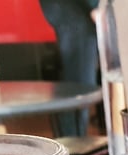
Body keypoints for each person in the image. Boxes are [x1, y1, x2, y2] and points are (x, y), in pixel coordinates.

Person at [39, 0, 100, 137]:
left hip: (73, 11)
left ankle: (72, 146)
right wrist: (96, 5)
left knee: (78, 83)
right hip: (76, 11)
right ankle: (73, 149)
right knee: (79, 87)